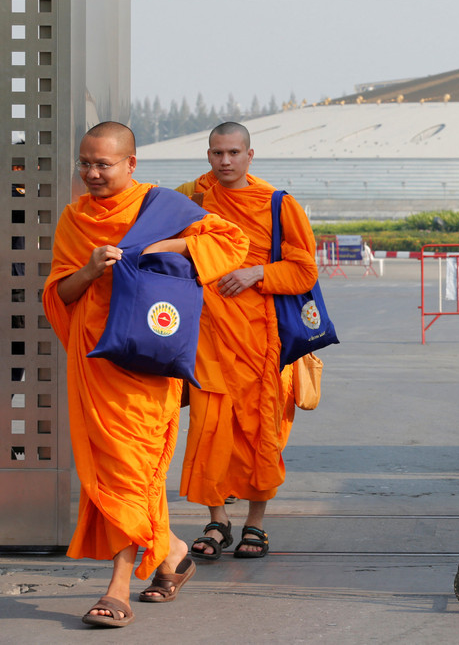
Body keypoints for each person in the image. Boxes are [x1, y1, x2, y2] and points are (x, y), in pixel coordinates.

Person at [42, 122, 248, 627]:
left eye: (103, 164)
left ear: (131, 164)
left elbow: (232, 242)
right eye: (85, 164)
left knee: (132, 472)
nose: (92, 173)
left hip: (147, 366)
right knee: (119, 475)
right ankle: (173, 551)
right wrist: (90, 271)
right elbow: (58, 295)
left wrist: (169, 248)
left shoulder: (163, 211)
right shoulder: (74, 219)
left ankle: (117, 588)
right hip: (95, 364)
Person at [180, 122, 318, 560]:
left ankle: (255, 524)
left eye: (234, 153)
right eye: (217, 153)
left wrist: (258, 272)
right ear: (208, 155)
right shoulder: (193, 197)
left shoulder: (278, 204)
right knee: (208, 428)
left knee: (264, 429)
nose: (225, 161)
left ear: (250, 155)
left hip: (264, 338)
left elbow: (304, 270)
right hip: (208, 336)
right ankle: (217, 519)